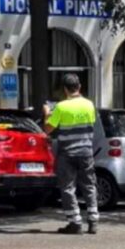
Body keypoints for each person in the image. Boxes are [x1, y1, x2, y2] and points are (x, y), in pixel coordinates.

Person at [44, 74, 99, 235]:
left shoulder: (61, 107)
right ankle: (93, 220)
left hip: (67, 153)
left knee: (68, 187)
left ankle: (75, 222)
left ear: (65, 89)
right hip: (86, 152)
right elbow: (92, 124)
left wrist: (47, 113)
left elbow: (48, 129)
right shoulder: (89, 105)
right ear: (79, 87)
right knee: (89, 185)